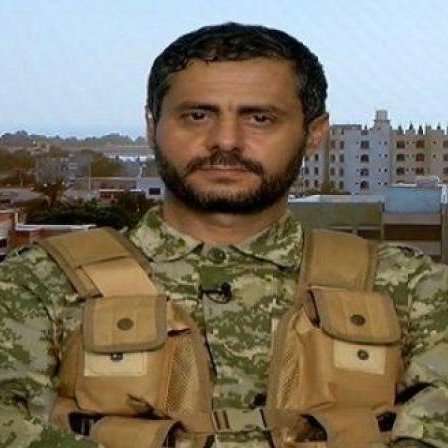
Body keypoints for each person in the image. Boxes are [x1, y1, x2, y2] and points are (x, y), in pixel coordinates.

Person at [0, 22, 447, 448]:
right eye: (197, 116)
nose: (226, 141)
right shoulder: (36, 285)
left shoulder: (410, 288)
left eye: (260, 119)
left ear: (314, 134)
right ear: (152, 125)